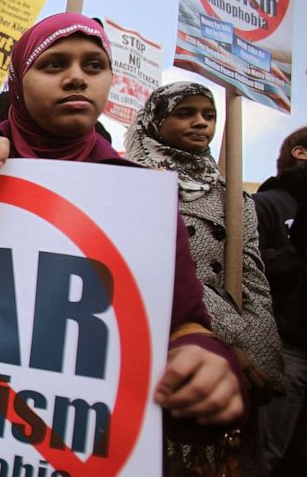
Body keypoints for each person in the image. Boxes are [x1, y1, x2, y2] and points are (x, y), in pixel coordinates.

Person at [0, 14, 245, 472]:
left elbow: (184, 322)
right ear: (17, 83)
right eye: (53, 65)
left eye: (94, 66)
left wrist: (205, 359)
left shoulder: (140, 199)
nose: (76, 78)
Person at [125, 82, 283, 474]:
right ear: (156, 121)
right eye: (185, 113)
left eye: (209, 116)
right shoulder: (130, 184)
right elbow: (165, 271)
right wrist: (223, 341)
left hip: (236, 359)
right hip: (166, 348)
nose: (201, 123)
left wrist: (257, 357)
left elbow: (253, 281)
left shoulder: (234, 197)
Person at [253, 127, 307, 474]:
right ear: (300, 153)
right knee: (263, 456)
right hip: (286, 347)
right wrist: (292, 258)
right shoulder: (266, 204)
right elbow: (243, 265)